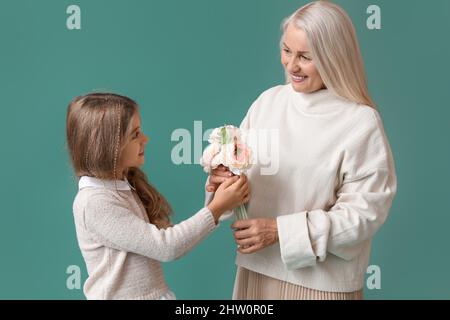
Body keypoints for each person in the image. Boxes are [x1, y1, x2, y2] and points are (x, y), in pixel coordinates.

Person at [206, 1, 397, 300]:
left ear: (333, 58)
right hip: (255, 273)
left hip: (321, 285)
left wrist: (280, 231)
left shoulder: (360, 122)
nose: (291, 65)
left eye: (305, 57)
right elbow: (243, 181)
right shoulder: (268, 103)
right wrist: (222, 183)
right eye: (286, 50)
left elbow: (365, 214)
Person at [66, 93, 249, 299]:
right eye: (135, 134)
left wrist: (215, 198)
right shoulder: (95, 202)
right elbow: (167, 246)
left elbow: (171, 237)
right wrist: (216, 208)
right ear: (108, 146)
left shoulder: (122, 185)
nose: (145, 138)